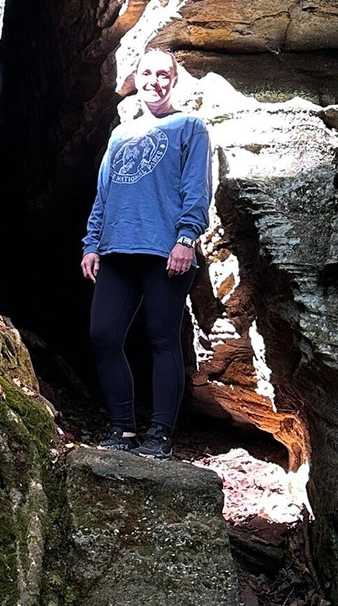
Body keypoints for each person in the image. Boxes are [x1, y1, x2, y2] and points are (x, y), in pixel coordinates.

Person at [81, 49, 212, 460]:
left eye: (164, 74)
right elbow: (104, 193)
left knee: (162, 340)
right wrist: (91, 243)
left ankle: (160, 434)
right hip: (118, 248)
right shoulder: (120, 134)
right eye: (147, 73)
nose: (155, 80)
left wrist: (186, 239)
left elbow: (197, 188)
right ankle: (122, 430)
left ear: (174, 81)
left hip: (165, 252)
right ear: (136, 78)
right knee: (104, 336)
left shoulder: (190, 126)